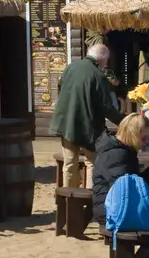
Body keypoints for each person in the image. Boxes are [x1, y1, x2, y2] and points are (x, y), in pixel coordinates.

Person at [92, 114, 149, 258]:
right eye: (144, 138)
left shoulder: (120, 150)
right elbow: (128, 190)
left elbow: (131, 186)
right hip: (112, 211)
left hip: (114, 206)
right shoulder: (117, 154)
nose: (145, 142)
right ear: (133, 133)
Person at [51, 44, 122, 188]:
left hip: (67, 123)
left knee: (69, 163)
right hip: (89, 126)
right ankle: (91, 197)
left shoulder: (70, 68)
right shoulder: (98, 75)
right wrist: (122, 121)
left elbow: (60, 89)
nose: (106, 64)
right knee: (92, 163)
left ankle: (69, 197)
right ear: (102, 58)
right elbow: (106, 106)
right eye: (106, 60)